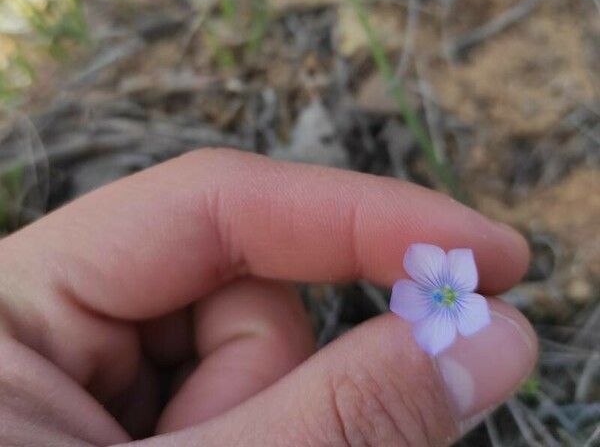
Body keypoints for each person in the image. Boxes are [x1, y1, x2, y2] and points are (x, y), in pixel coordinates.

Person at [0, 149, 536, 446]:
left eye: (446, 290)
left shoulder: (450, 284)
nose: (443, 291)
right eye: (440, 290)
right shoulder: (432, 289)